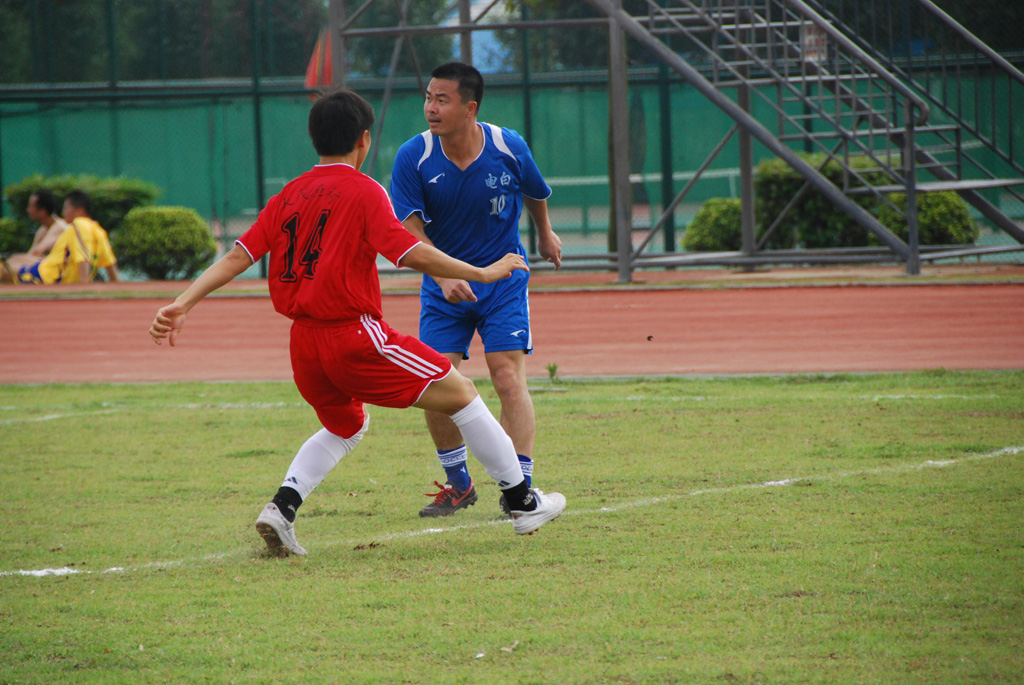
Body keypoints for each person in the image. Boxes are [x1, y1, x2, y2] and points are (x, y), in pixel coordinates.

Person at [148, 88, 566, 557]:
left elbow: (237, 256)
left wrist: (183, 302)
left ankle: (281, 509)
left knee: (347, 425)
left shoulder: (289, 194)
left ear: (314, 138)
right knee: (464, 394)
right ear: (364, 140)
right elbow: (409, 251)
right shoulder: (365, 191)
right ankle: (523, 503)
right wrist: (481, 272)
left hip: (304, 345)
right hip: (353, 333)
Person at [389, 62, 562, 518]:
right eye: (428, 98)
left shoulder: (508, 145)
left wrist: (545, 233)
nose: (430, 108)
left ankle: (518, 487)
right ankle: (459, 484)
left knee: (507, 378)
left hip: (503, 282)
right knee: (434, 382)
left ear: (470, 108)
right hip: (443, 290)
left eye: (442, 100)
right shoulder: (413, 156)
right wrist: (444, 276)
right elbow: (409, 230)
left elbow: (534, 190)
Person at [1, 189, 119, 284]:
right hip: (48, 268)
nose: (63, 213)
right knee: (13, 259)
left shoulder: (78, 225)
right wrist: (117, 286)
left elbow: (83, 257)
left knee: (3, 269)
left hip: (46, 276)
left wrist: (83, 287)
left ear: (79, 211)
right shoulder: (98, 230)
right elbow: (110, 263)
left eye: (66, 208)